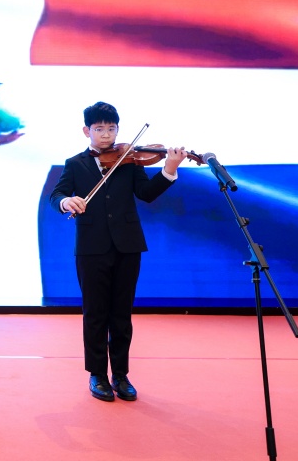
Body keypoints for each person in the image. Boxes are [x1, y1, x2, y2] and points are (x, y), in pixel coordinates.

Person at [49, 102, 187, 402]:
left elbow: (146, 194)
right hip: (91, 247)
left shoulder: (131, 160)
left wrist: (169, 169)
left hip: (128, 245)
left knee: (121, 314)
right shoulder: (75, 163)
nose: (106, 135)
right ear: (86, 130)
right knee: (95, 313)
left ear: (117, 130)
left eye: (111, 129)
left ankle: (121, 374)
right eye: (99, 129)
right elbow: (56, 194)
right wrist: (65, 201)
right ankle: (97, 374)